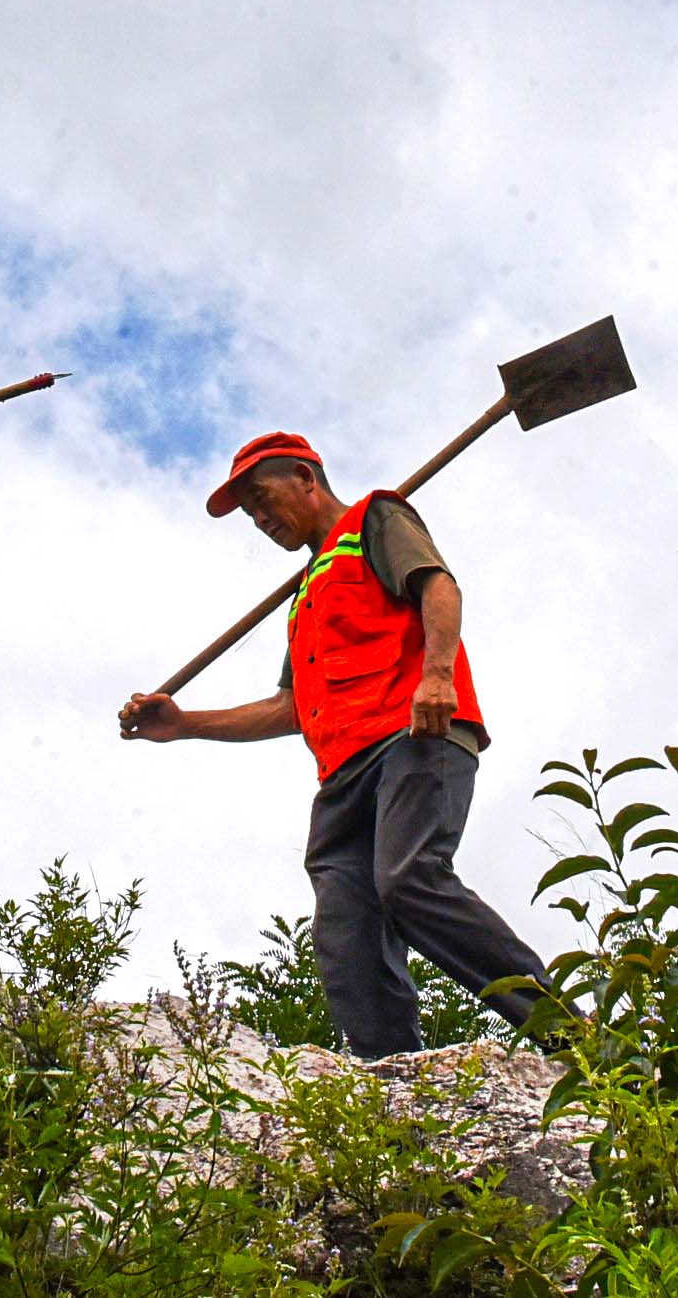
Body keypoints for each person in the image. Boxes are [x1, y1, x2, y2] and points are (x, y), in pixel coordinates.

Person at [116, 431, 552, 1058]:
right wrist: (185, 723)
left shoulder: (375, 518)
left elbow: (438, 586)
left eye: (264, 499)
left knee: (409, 878)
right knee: (346, 926)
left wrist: (437, 676)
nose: (261, 519)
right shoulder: (303, 600)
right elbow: (289, 707)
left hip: (414, 736)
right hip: (343, 773)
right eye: (250, 513)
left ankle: (563, 1030)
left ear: (306, 479)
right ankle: (391, 1079)